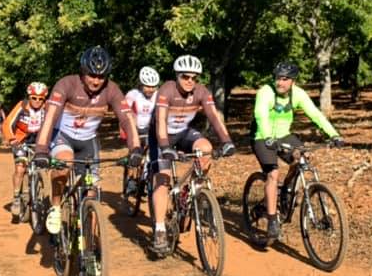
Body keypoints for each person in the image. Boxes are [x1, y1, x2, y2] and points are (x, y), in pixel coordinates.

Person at [32, 46, 142, 235]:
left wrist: (135, 148)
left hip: (88, 142)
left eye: (101, 76)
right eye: (92, 75)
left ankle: (90, 249)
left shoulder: (112, 89)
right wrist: (41, 149)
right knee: (63, 164)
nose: (96, 81)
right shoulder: (67, 84)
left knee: (92, 192)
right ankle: (56, 206)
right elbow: (50, 117)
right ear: (83, 72)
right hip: (63, 137)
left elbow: (126, 118)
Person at [149, 54, 235, 255]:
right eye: (185, 76)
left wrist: (227, 141)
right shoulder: (166, 90)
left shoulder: (202, 91)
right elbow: (161, 121)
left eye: (194, 77)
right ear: (177, 76)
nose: (190, 81)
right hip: (161, 136)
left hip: (183, 132)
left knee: (206, 148)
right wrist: (164, 146)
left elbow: (214, 116)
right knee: (163, 179)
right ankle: (160, 230)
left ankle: (191, 191)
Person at [252, 62, 344, 240]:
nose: (280, 82)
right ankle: (272, 220)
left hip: (284, 135)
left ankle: (286, 192)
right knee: (273, 173)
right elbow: (260, 114)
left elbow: (315, 114)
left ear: (293, 81)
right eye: (278, 78)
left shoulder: (298, 94)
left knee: (303, 157)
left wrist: (334, 134)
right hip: (262, 137)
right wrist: (267, 136)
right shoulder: (265, 92)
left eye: (285, 79)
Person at [2, 83, 49, 218]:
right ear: (29, 97)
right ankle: (16, 197)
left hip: (39, 140)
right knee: (20, 168)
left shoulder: (47, 108)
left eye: (41, 99)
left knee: (46, 165)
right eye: (34, 98)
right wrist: (12, 139)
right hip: (21, 140)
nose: (37, 102)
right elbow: (7, 123)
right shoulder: (22, 106)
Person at [123, 66, 160, 197]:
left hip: (151, 128)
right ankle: (131, 179)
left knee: (154, 155)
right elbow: (125, 114)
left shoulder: (158, 95)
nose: (151, 89)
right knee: (135, 153)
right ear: (141, 84)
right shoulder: (132, 95)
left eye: (154, 86)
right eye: (147, 86)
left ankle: (149, 177)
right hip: (135, 127)